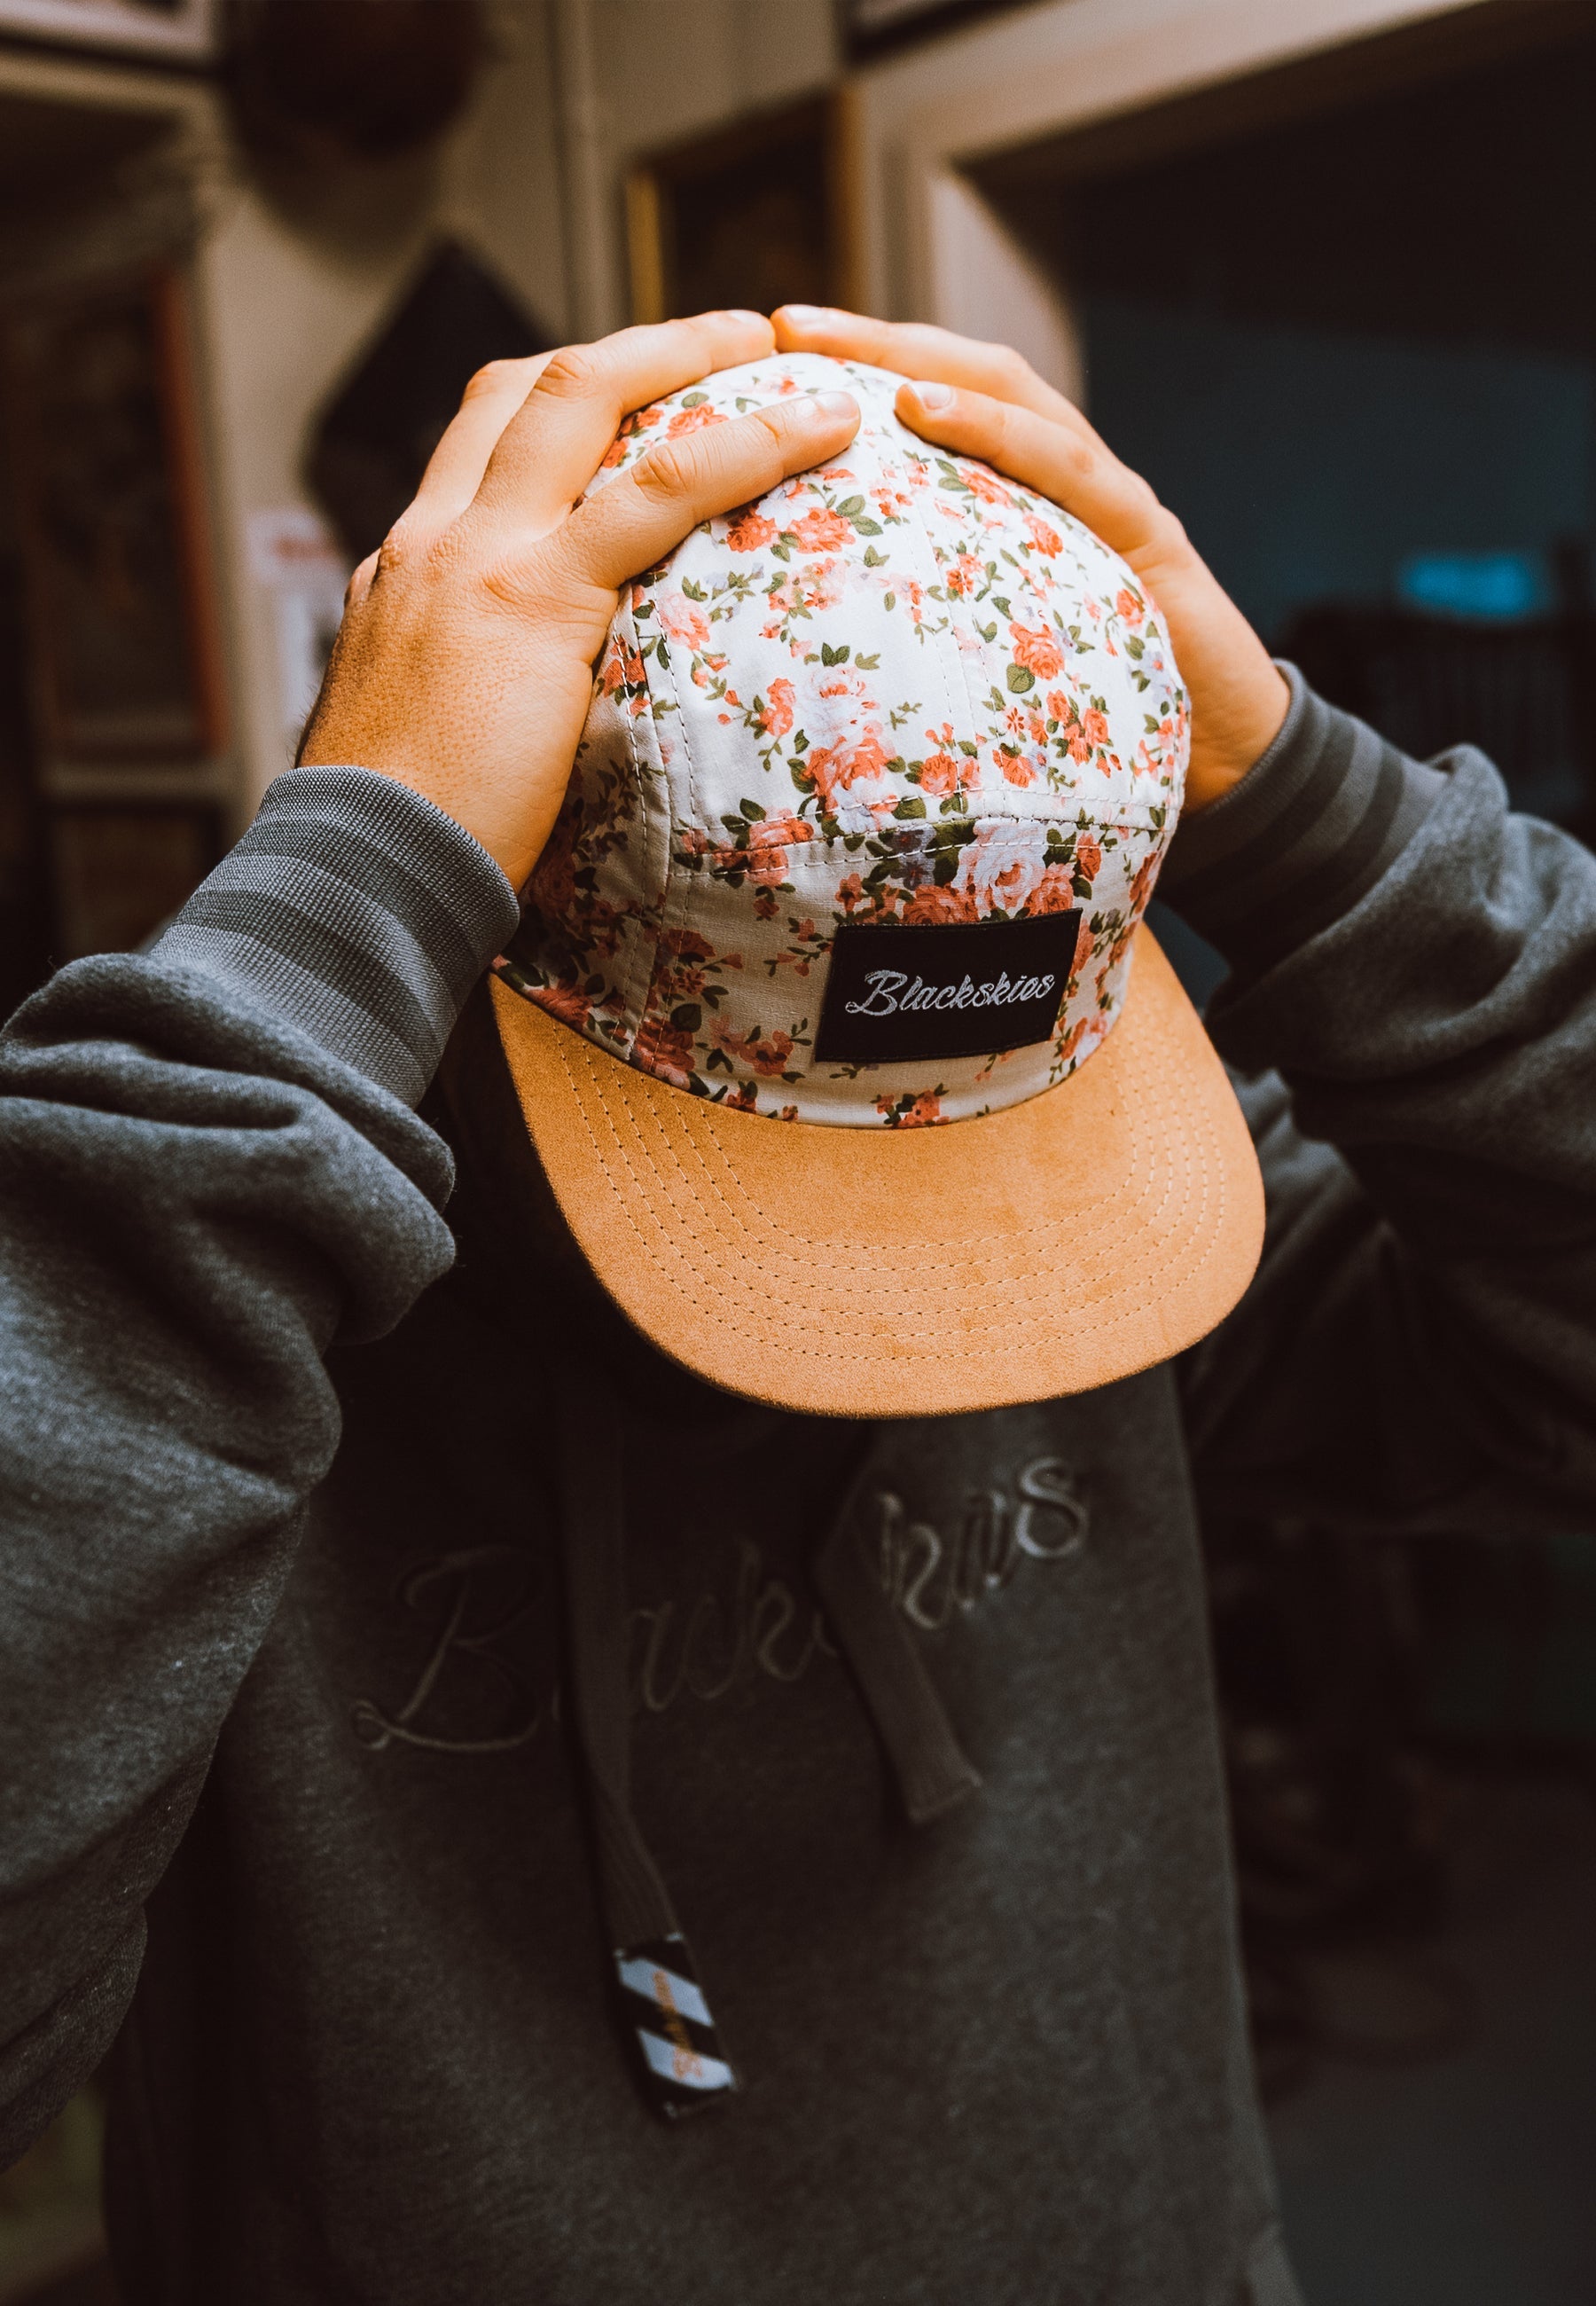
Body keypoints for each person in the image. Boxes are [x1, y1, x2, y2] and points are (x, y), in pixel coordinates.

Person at [1, 300, 1592, 2306]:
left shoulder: (1050, 1161)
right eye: (780, 1142)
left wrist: (1313, 809)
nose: (915, 1258)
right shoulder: (171, 1332)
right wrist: (345, 903)